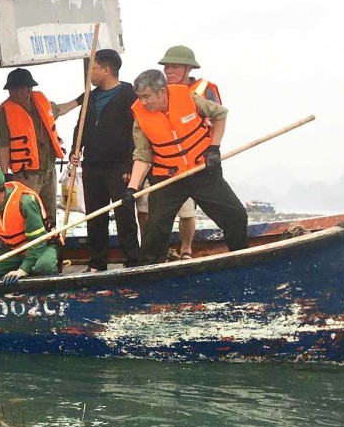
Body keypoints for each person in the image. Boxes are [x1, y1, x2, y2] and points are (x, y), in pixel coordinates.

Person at [124, 69, 248, 263]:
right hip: (168, 177)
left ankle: (242, 258)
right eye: (140, 97)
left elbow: (220, 115)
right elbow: (142, 155)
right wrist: (132, 187)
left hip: (201, 171)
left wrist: (214, 149)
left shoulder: (187, 97)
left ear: (162, 91)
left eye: (147, 96)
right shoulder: (140, 116)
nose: (143, 102)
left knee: (236, 215)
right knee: (155, 228)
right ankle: (149, 270)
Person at [64, 48, 142, 271]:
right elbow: (81, 126)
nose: (90, 74)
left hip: (119, 166)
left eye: (93, 68)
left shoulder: (128, 94)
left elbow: (135, 132)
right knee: (94, 216)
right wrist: (75, 149)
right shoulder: (91, 96)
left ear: (107, 70)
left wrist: (129, 164)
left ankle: (132, 261)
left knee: (124, 215)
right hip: (92, 165)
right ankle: (97, 262)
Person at [156, 45, 223, 259]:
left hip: (199, 160)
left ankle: (186, 250)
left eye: (174, 67)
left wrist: (213, 150)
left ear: (188, 69)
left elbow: (217, 119)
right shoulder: (159, 91)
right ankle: (159, 253)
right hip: (168, 164)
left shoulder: (204, 89)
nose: (169, 72)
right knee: (157, 214)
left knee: (188, 211)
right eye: (167, 67)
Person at [0, 67, 78, 224]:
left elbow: (60, 109)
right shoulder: (5, 111)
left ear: (29, 89)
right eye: (13, 89)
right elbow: (3, 146)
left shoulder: (42, 104)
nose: (17, 92)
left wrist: (79, 101)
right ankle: (29, 246)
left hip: (49, 170)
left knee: (50, 214)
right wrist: (5, 175)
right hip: (26, 175)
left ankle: (52, 244)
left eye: (21, 88)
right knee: (28, 213)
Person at [0, 167, 60, 283]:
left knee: (44, 267)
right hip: (14, 250)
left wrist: (22, 270)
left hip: (42, 247)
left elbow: (38, 241)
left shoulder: (25, 202)